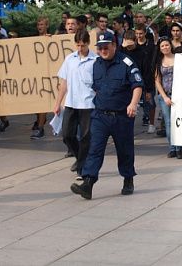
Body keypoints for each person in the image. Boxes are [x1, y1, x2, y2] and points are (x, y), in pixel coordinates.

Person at [71, 32, 143, 200]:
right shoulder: (96, 64)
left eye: (106, 47)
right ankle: (88, 183)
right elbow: (96, 87)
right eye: (100, 47)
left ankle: (128, 179)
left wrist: (133, 104)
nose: (103, 50)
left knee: (124, 150)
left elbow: (137, 84)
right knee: (94, 149)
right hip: (100, 115)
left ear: (114, 46)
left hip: (121, 116)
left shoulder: (126, 63)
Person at [54, 30, 97, 178]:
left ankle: (82, 168)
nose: (80, 49)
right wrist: (58, 102)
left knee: (85, 137)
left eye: (83, 46)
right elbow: (64, 82)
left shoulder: (95, 60)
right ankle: (80, 158)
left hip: (88, 104)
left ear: (88, 44)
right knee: (67, 135)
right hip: (71, 103)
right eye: (78, 45)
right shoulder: (69, 59)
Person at [154, 37, 182, 158]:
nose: (165, 47)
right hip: (165, 95)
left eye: (167, 45)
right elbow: (157, 81)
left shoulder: (180, 59)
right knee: (169, 123)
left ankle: (179, 148)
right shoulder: (159, 61)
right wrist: (164, 96)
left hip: (179, 95)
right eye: (162, 46)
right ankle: (172, 148)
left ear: (170, 45)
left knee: (179, 122)